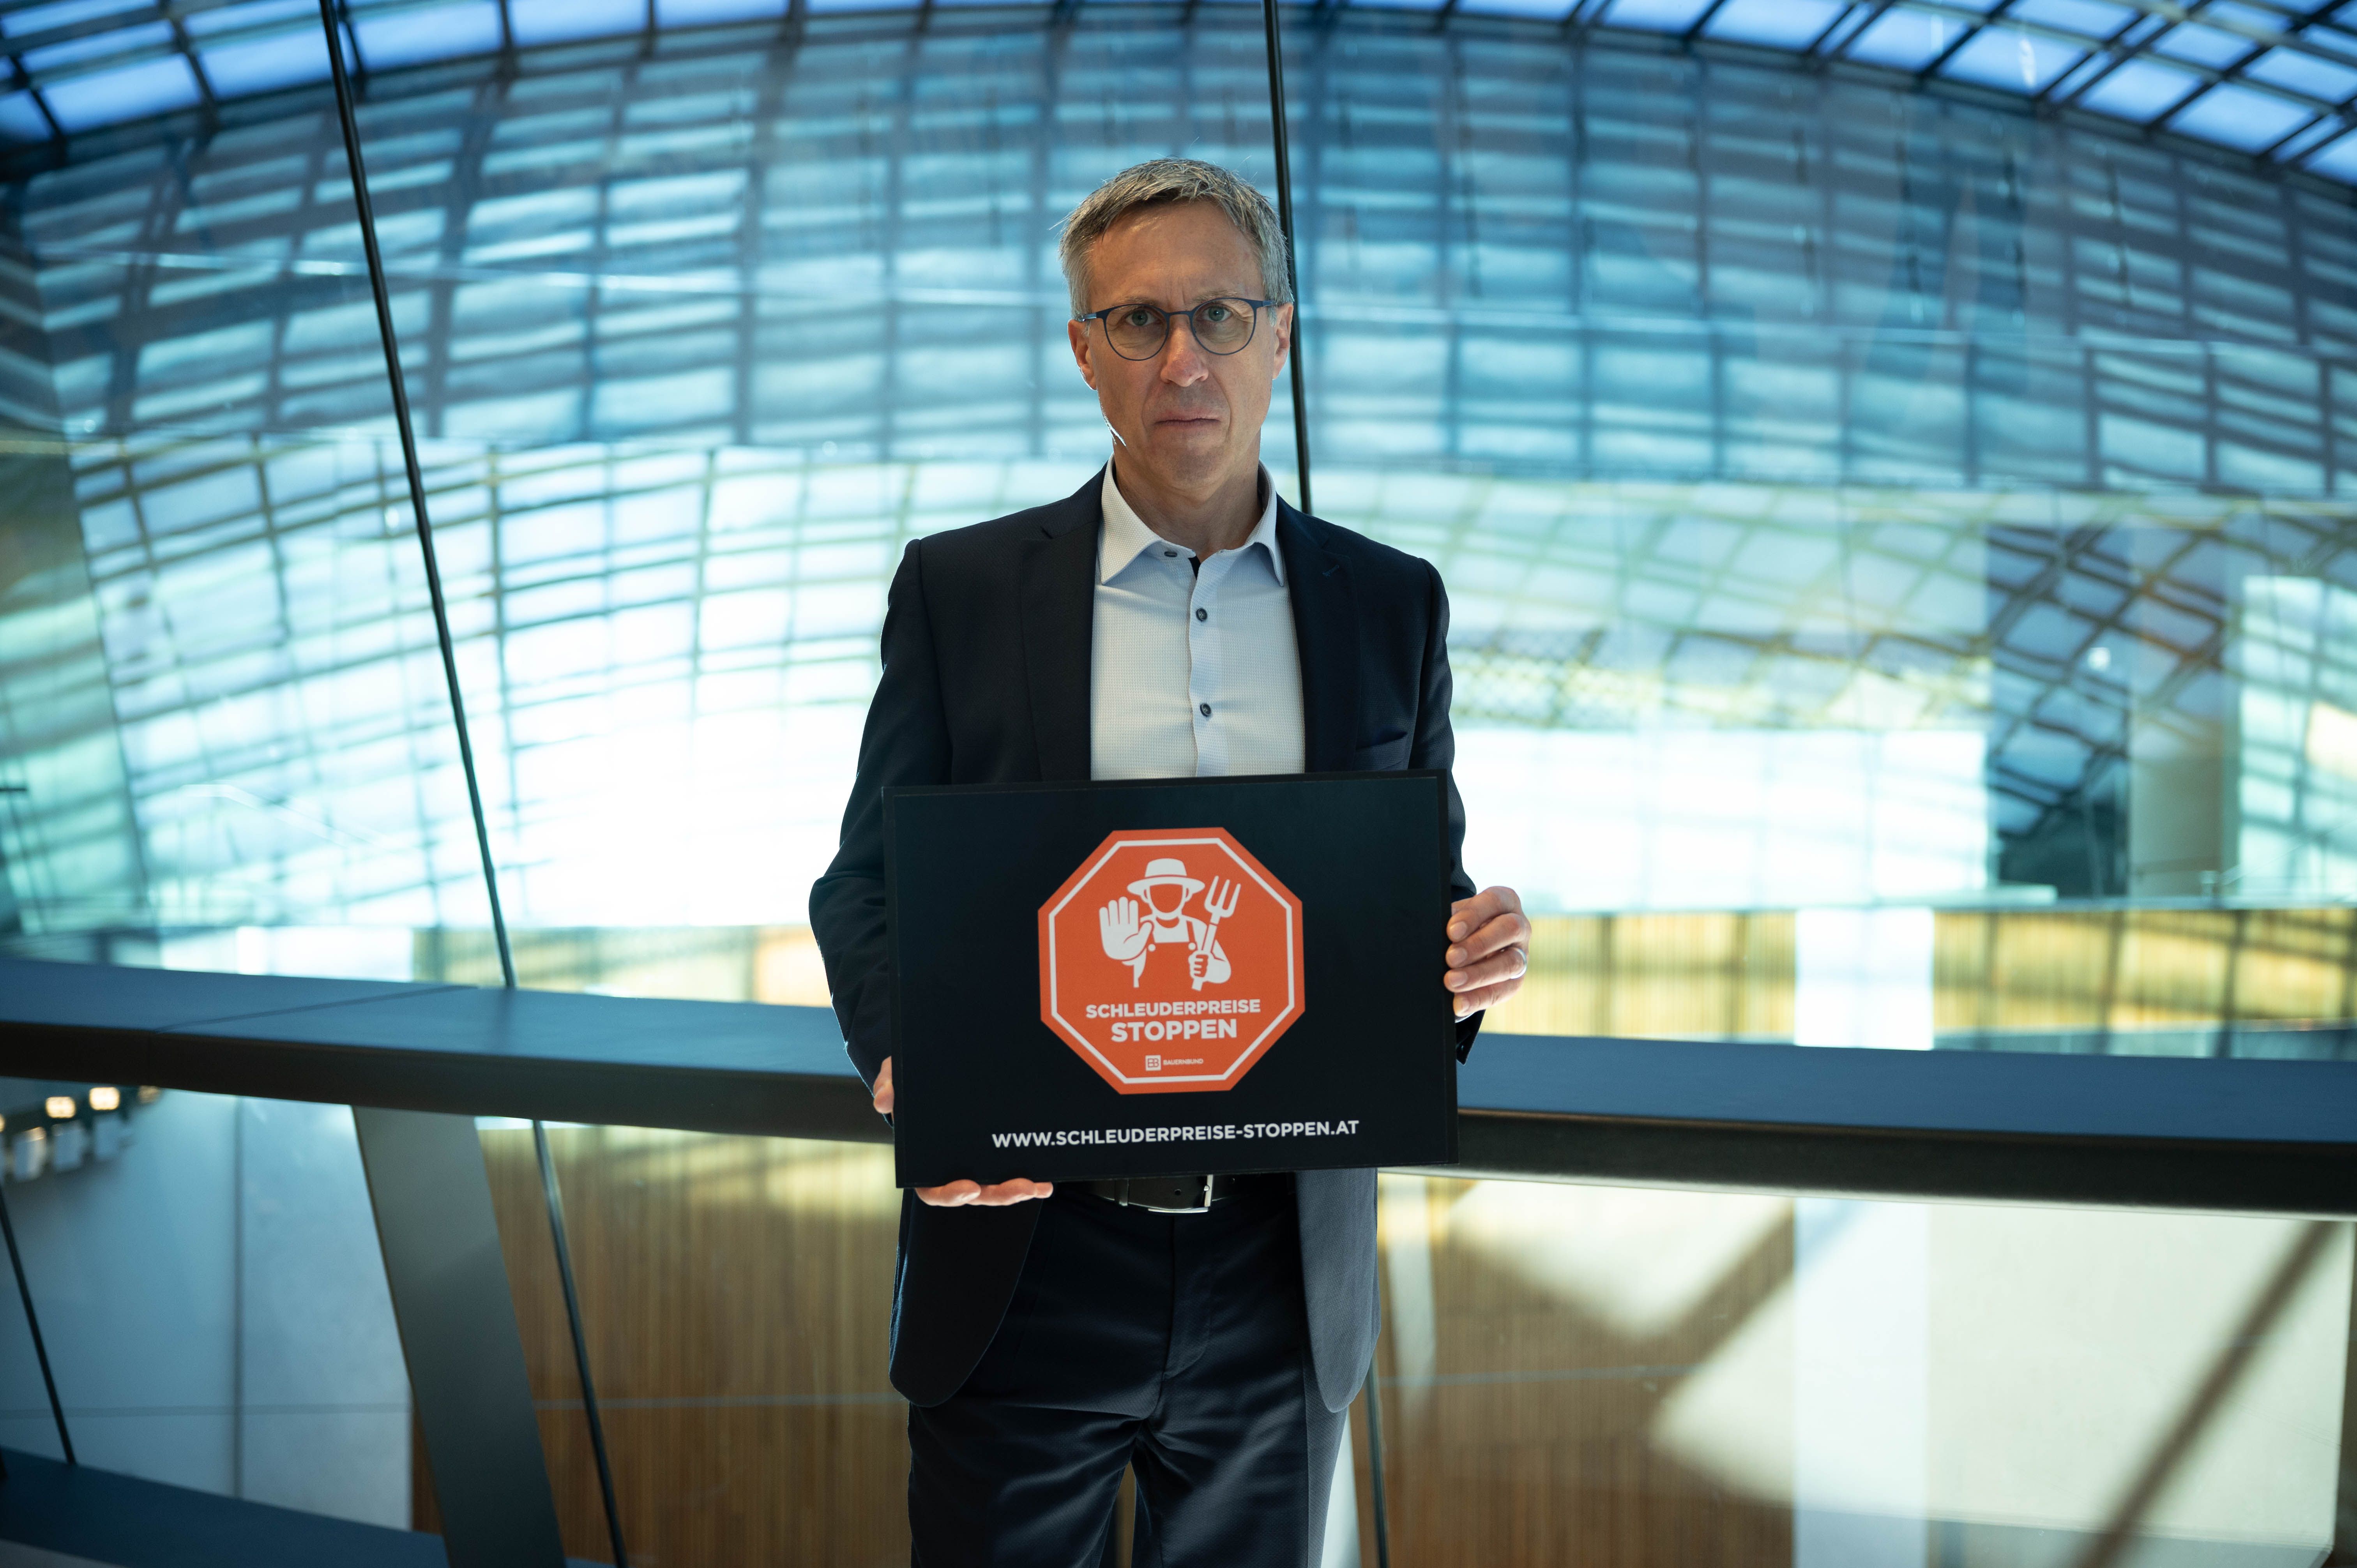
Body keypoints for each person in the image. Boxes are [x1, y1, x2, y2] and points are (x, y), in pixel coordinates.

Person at [810, 157, 1530, 1568]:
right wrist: (914, 1066)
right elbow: (868, 887)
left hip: (1283, 1269)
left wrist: (1464, 957)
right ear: (1085, 352)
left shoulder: (1392, 604)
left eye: (1220, 314)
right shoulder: (962, 593)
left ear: (1281, 335)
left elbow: (1412, 895)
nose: (1183, 358)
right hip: (1027, 1250)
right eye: (1138, 321)